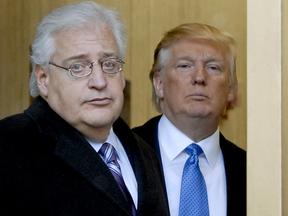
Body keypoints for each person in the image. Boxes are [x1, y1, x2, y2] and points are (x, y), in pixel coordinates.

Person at [0, 2, 169, 216]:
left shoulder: (144, 152)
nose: (99, 81)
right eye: (77, 67)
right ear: (43, 78)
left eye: (108, 64)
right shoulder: (10, 147)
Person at [133, 23, 246, 216]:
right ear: (159, 84)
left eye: (213, 67)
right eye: (185, 66)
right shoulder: (124, 154)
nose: (200, 77)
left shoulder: (248, 171)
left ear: (231, 90)